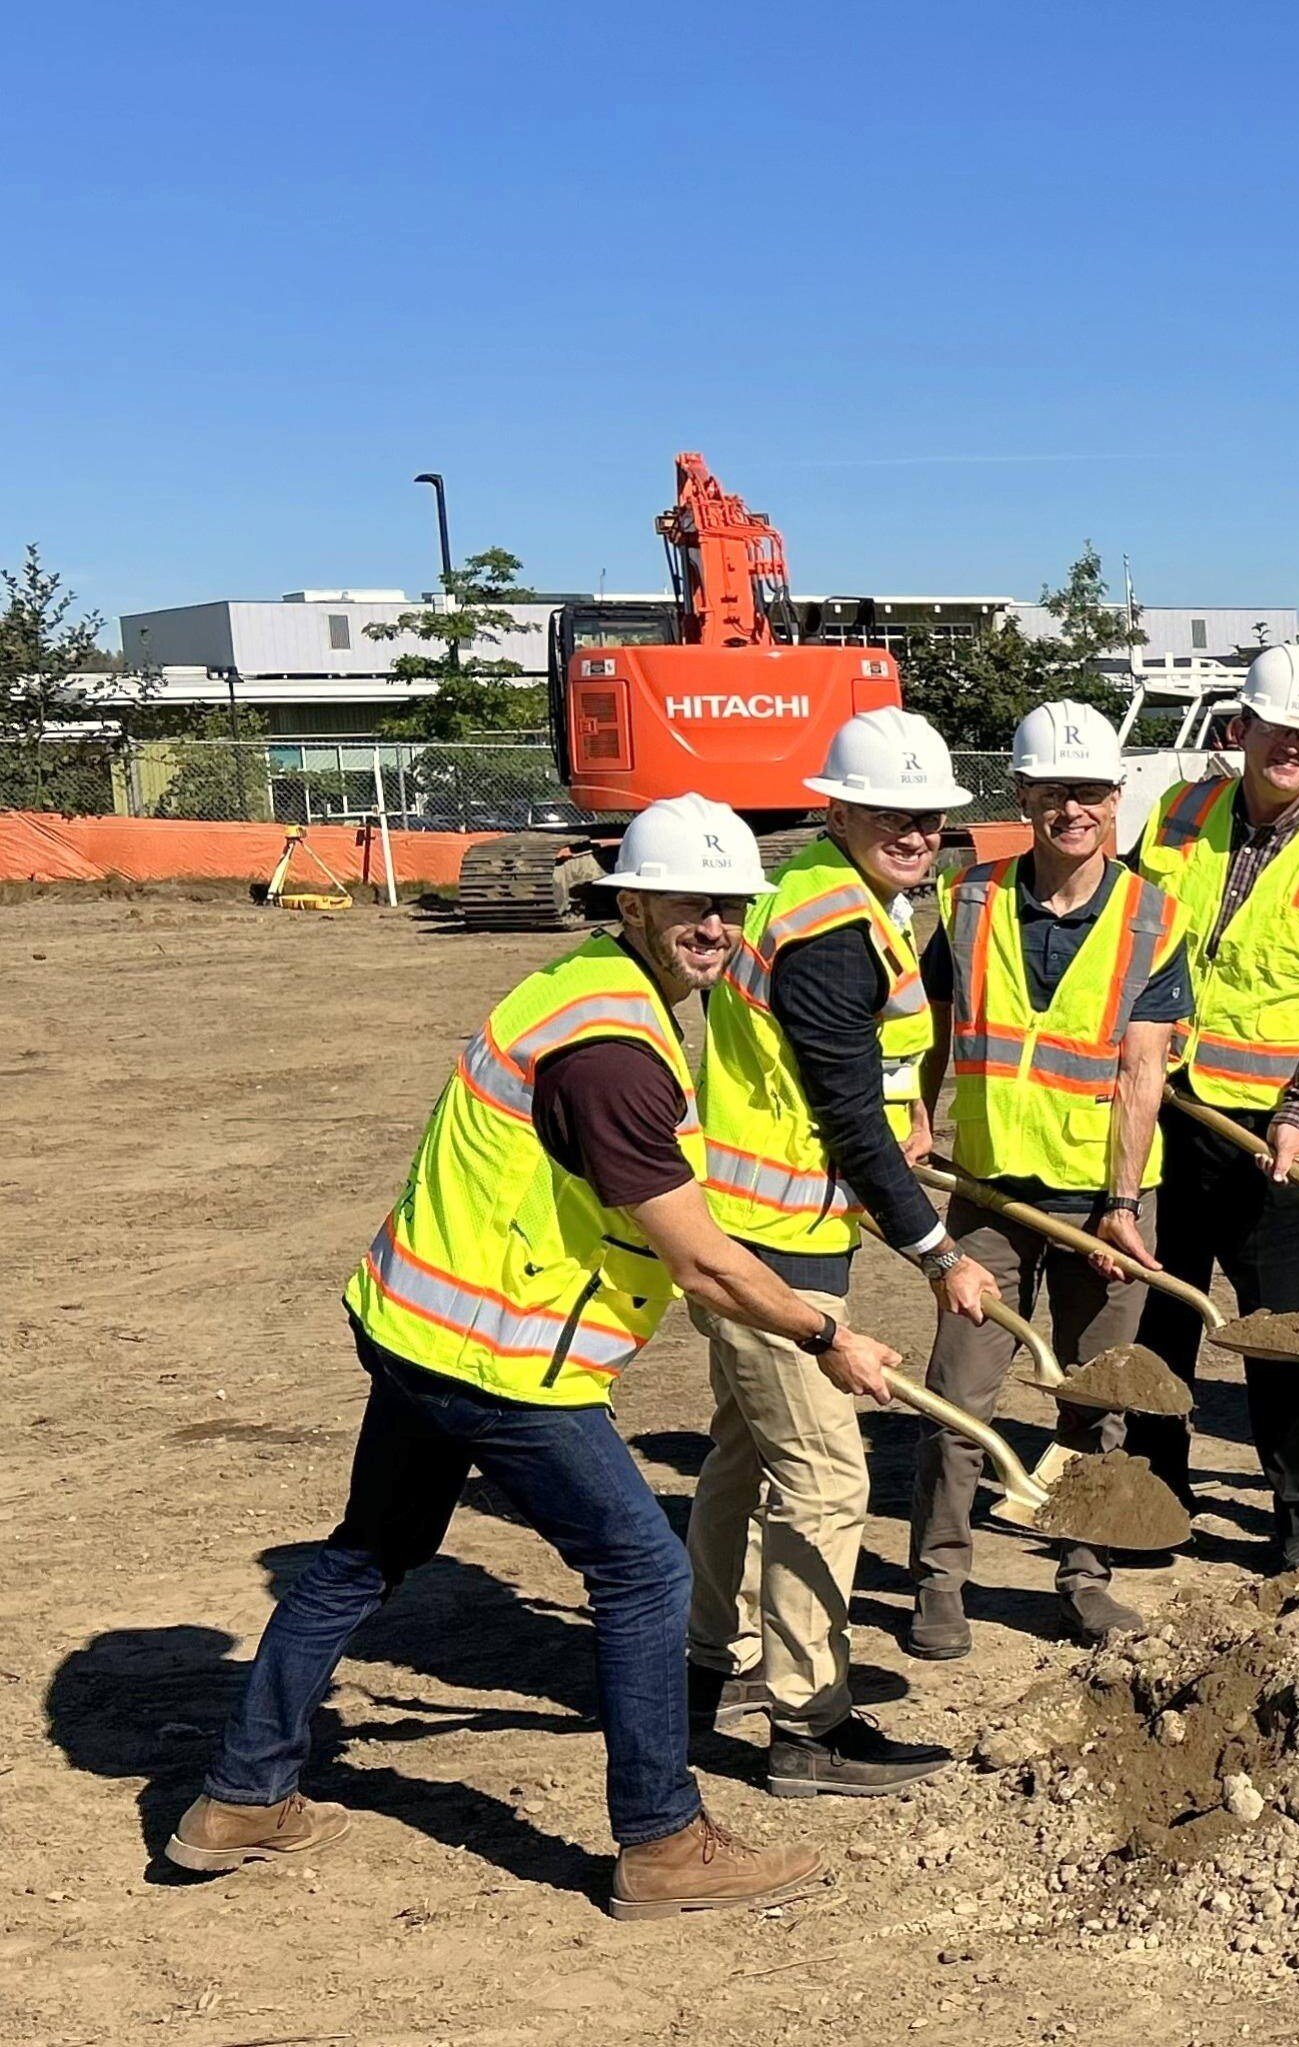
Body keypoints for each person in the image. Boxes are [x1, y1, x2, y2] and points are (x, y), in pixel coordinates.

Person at [171, 799, 906, 1918]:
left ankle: (240, 1795)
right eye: (690, 900)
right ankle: (662, 1840)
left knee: (371, 1551)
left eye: (728, 904)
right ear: (635, 900)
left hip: (418, 1328)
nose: (712, 922)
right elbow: (704, 1263)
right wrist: (827, 1334)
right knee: (644, 1573)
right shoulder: (612, 1051)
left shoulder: (588, 990)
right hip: (499, 1358)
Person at [688, 708, 979, 1796]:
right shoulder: (831, 930)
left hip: (774, 1221)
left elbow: (866, 1085)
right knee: (826, 1471)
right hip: (767, 1239)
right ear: (838, 805)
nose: (915, 830)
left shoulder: (842, 892)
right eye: (893, 812)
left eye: (930, 816)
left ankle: (703, 1658)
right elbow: (849, 1120)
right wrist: (940, 1252)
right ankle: (808, 1725)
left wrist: (905, 1111)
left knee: (745, 1449)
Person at [908, 702, 1190, 1652]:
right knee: (959, 1391)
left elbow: (1140, 1068)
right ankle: (938, 1579)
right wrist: (914, 1112)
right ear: (1022, 794)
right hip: (987, 1191)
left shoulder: (1154, 915)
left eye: (1092, 792)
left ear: (1117, 798)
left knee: (1095, 1397)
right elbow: (930, 1026)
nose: (1074, 809)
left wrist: (1121, 1202)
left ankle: (1083, 1573)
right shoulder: (969, 897)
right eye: (1054, 791)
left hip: (1101, 1200)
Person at [1132, 644, 1299, 1574]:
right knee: (1162, 1317)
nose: (1295, 751)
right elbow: (1130, 936)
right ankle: (1153, 1505)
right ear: (1240, 730)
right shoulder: (1178, 814)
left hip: (1270, 1138)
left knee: (1284, 1331)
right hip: (1167, 1114)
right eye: (1280, 732)